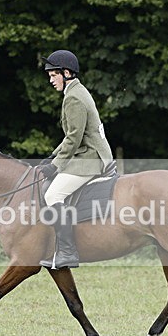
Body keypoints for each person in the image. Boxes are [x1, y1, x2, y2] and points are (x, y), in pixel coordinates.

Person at [38, 49, 114, 269]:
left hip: (91, 158)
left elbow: (74, 138)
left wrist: (56, 165)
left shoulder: (73, 98)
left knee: (53, 194)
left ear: (66, 72)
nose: (51, 80)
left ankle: (68, 253)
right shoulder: (77, 91)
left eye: (54, 75)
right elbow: (71, 136)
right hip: (89, 154)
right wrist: (53, 155)